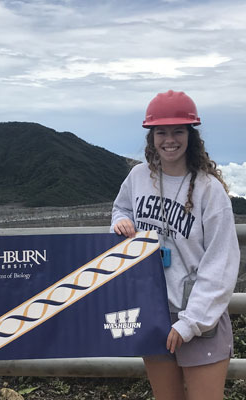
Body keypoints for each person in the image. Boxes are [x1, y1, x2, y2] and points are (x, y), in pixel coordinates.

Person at [110, 90, 240, 400]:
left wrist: (190, 323)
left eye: (178, 130)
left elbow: (220, 263)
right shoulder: (138, 177)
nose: (170, 139)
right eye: (161, 132)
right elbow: (122, 208)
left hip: (199, 318)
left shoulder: (210, 191)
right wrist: (119, 222)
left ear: (190, 135)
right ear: (152, 136)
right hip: (154, 312)